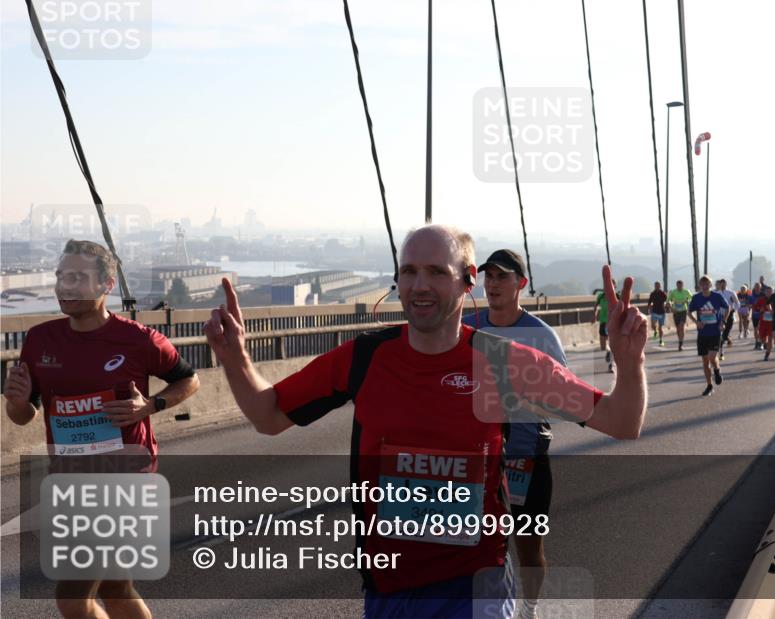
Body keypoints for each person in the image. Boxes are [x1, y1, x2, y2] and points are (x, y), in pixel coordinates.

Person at [204, 225, 648, 619]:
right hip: (389, 590)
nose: (420, 285)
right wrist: (236, 359)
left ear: (467, 280)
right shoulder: (364, 357)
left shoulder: (504, 361)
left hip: (476, 587)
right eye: (409, 271)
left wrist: (630, 363)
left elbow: (622, 421)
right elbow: (268, 415)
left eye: (436, 272)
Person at [3, 239, 200, 619]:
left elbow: (189, 379)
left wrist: (151, 405)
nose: (65, 286)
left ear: (107, 285)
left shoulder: (139, 340)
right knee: (115, 588)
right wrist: (16, 401)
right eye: (61, 276)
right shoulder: (41, 339)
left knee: (72, 597)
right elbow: (24, 416)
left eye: (78, 277)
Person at [462, 249, 565, 619]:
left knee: (529, 547)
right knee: (471, 544)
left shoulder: (541, 335)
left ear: (520, 283)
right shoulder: (466, 327)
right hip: (475, 459)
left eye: (501, 277)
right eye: (488, 276)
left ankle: (529, 609)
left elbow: (564, 399)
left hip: (525, 458)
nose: (492, 284)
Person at [688, 275, 729, 396]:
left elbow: (727, 307)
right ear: (699, 286)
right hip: (702, 333)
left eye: (707, 284)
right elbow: (689, 312)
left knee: (712, 357)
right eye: (702, 284)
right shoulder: (696, 298)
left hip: (715, 332)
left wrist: (723, 322)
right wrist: (696, 322)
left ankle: (717, 369)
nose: (705, 286)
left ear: (710, 285)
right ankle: (709, 386)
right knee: (705, 361)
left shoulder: (717, 296)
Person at [593, 280, 618, 372]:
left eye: (611, 285)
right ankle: (608, 352)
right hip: (603, 322)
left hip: (613, 322)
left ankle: (611, 365)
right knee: (603, 347)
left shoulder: (617, 296)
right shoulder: (601, 296)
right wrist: (594, 316)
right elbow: (596, 306)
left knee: (612, 343)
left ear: (615, 286)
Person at [715, 279, 740, 359]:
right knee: (720, 335)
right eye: (721, 284)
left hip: (729, 315)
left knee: (725, 334)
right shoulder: (717, 294)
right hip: (720, 316)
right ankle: (721, 353)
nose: (722, 285)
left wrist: (734, 309)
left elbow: (737, 303)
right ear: (719, 285)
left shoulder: (731, 293)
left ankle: (728, 338)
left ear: (726, 284)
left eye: (724, 284)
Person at [668, 280, 693, 351]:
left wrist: (687, 301)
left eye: (681, 285)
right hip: (676, 311)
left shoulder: (686, 291)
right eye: (678, 285)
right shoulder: (673, 292)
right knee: (678, 328)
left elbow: (692, 299)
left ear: (683, 285)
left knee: (681, 326)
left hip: (683, 311)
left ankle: (680, 343)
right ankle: (680, 340)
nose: (679, 287)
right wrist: (671, 308)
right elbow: (668, 300)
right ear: (676, 285)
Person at [647, 281, 668, 347]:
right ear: (654, 286)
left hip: (662, 312)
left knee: (660, 327)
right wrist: (649, 308)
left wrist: (667, 305)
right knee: (653, 325)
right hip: (654, 311)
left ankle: (661, 340)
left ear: (660, 286)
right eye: (656, 286)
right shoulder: (652, 294)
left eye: (658, 286)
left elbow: (666, 300)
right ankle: (655, 331)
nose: (657, 287)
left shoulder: (663, 293)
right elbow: (649, 301)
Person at [756, 286, 774, 360]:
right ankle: (765, 343)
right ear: (765, 292)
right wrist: (760, 309)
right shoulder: (761, 300)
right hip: (763, 322)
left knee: (770, 339)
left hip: (772, 323)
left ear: (772, 292)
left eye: (770, 292)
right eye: (767, 292)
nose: (768, 293)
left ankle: (767, 355)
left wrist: (773, 311)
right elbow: (756, 308)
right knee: (762, 338)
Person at [749, 283, 763, 350]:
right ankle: (757, 342)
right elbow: (749, 305)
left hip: (762, 315)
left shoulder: (763, 295)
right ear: (754, 287)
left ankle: (761, 343)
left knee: (760, 329)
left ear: (760, 287)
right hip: (755, 315)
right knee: (755, 330)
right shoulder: (751, 296)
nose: (757, 288)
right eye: (756, 286)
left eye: (758, 287)